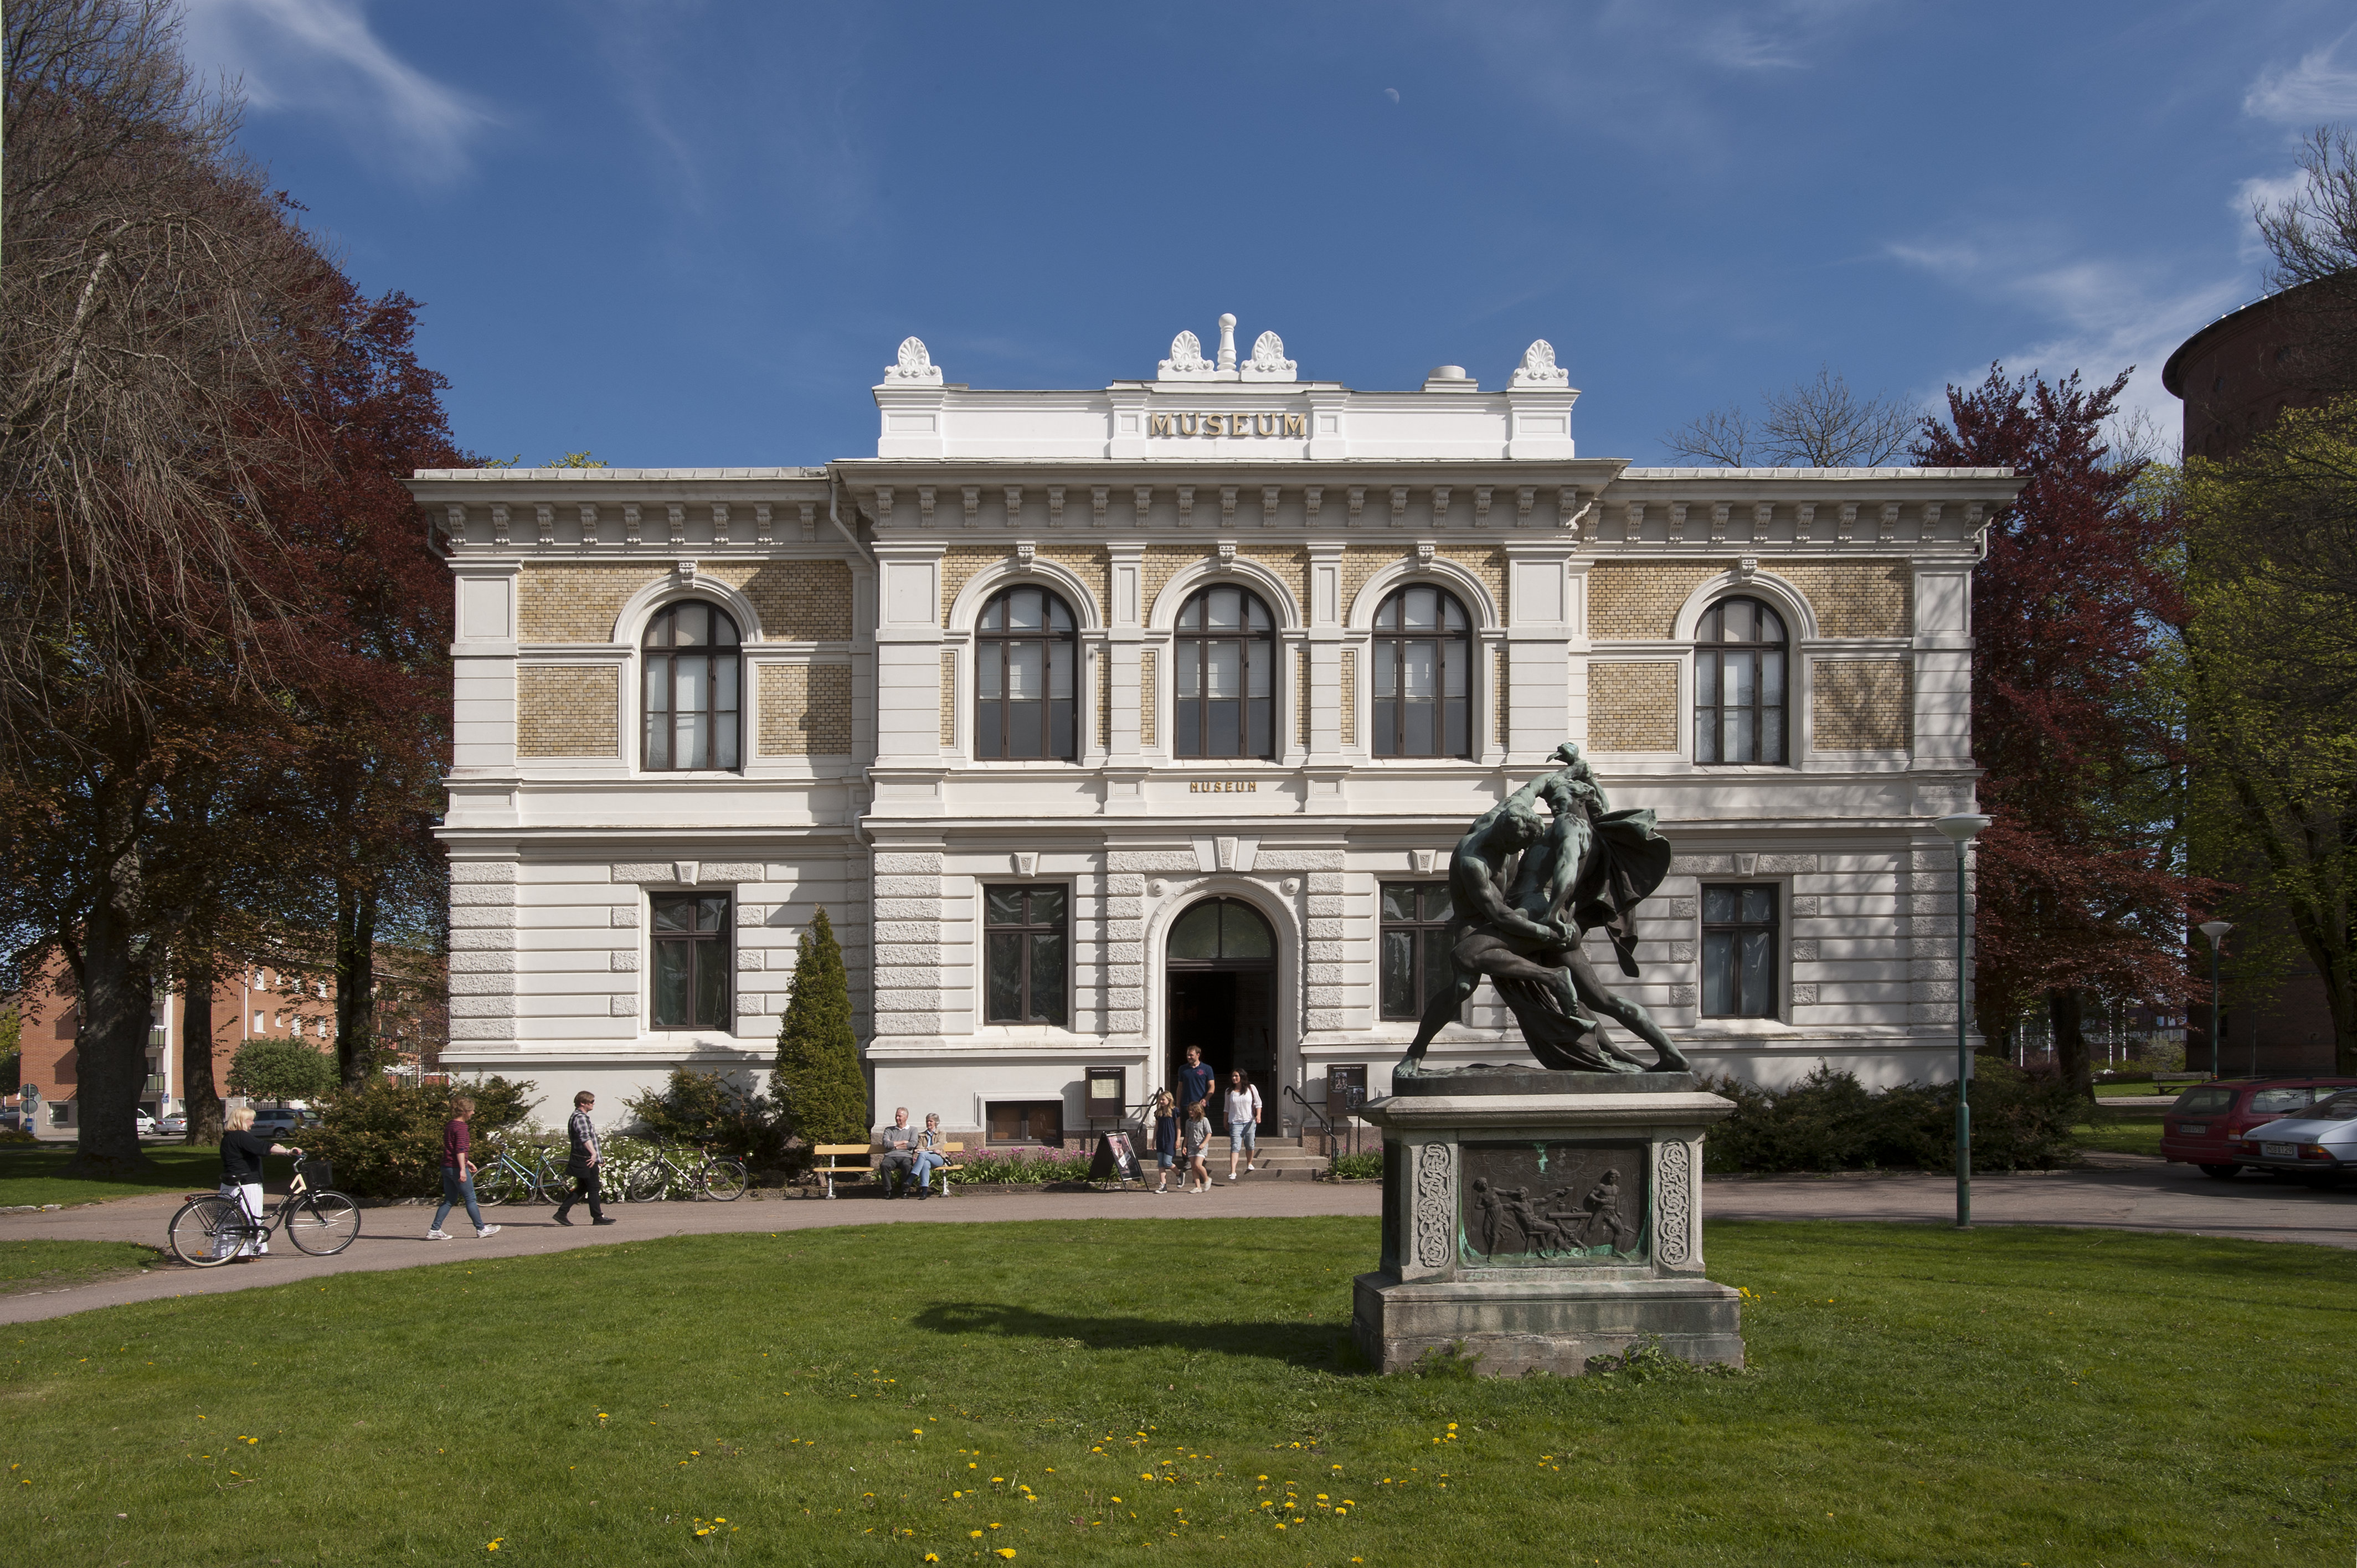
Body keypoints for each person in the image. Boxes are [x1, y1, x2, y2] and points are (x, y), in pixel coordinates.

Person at [218, 1106, 300, 1258]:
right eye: (251, 1120)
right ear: (242, 1121)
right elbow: (263, 1147)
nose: (253, 1124)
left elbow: (259, 1147)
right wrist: (288, 1152)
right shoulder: (242, 1136)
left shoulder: (228, 1137)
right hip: (247, 1183)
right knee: (250, 1217)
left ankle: (230, 1252)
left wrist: (279, 1148)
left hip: (231, 1184)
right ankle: (244, 1253)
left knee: (231, 1220)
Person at [427, 1095, 501, 1241]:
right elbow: (460, 1149)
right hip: (455, 1168)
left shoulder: (450, 1125)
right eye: (471, 1111)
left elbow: (452, 1149)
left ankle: (435, 1229)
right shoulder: (461, 1128)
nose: (473, 1113)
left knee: (449, 1200)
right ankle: (481, 1228)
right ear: (464, 1112)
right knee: (471, 1198)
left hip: (446, 1166)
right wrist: (462, 1169)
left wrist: (467, 1162)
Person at [553, 1089, 615, 1226]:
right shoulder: (580, 1117)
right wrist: (594, 1155)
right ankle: (598, 1217)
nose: (594, 1104)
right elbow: (585, 1138)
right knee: (593, 1187)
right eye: (591, 1102)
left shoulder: (578, 1116)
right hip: (586, 1158)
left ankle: (562, 1213)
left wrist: (599, 1156)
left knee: (582, 1187)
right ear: (583, 1103)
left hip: (583, 1157)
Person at [1223, 1070, 1263, 1182]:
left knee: (1250, 1144)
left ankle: (1249, 1162)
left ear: (1242, 1077)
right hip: (1235, 1122)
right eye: (1233, 1076)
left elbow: (1258, 1103)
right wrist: (1225, 1121)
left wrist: (1258, 1116)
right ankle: (1233, 1171)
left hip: (1249, 1121)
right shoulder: (1229, 1092)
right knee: (1235, 1146)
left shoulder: (1251, 1088)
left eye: (1236, 1076)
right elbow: (1227, 1108)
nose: (1234, 1078)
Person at [876, 1107, 918, 1198]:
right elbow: (886, 1144)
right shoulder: (889, 1130)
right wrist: (903, 1142)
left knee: (907, 1166)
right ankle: (888, 1191)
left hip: (906, 1156)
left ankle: (905, 1191)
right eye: (896, 1116)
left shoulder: (913, 1130)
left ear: (906, 1117)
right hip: (891, 1156)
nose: (897, 1118)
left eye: (900, 1116)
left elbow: (913, 1144)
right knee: (885, 1165)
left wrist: (895, 1146)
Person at [908, 1113, 949, 1199]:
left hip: (939, 1158)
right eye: (927, 1121)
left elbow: (940, 1145)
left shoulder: (942, 1133)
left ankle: (911, 1178)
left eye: (931, 1121)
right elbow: (919, 1147)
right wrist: (930, 1150)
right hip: (927, 1157)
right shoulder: (922, 1135)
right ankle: (924, 1191)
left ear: (936, 1122)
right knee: (926, 1163)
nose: (929, 1123)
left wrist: (926, 1149)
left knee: (923, 1155)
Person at [1177, 1046, 1216, 1134]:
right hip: (1187, 1104)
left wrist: (1206, 1099)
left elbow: (1212, 1086)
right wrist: (1178, 1104)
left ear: (1198, 1055)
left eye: (1191, 1055)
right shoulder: (1183, 1069)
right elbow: (1180, 1087)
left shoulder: (1207, 1069)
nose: (1189, 1057)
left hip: (1201, 1105)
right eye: (1188, 1055)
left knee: (1202, 1129)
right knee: (1187, 1130)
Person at [1149, 1090, 1178, 1194]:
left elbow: (1178, 1126)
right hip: (1160, 1139)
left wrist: (1178, 1139)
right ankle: (1163, 1185)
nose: (1161, 1102)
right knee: (1161, 1163)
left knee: (1167, 1162)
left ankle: (1179, 1174)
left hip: (1170, 1138)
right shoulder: (1158, 1113)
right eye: (1160, 1100)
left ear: (1169, 1100)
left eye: (1163, 1100)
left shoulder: (1175, 1111)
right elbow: (1156, 1127)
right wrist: (1153, 1140)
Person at [1183, 1097, 1212, 1194]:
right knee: (1193, 1167)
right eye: (1189, 1111)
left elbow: (1209, 1133)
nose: (1190, 1112)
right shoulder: (1188, 1122)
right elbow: (1187, 1135)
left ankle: (1207, 1179)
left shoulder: (1204, 1121)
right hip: (1191, 1146)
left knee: (1198, 1165)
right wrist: (1184, 1146)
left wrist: (1204, 1144)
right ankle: (1198, 1186)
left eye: (1192, 1110)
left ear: (1197, 1111)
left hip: (1201, 1146)